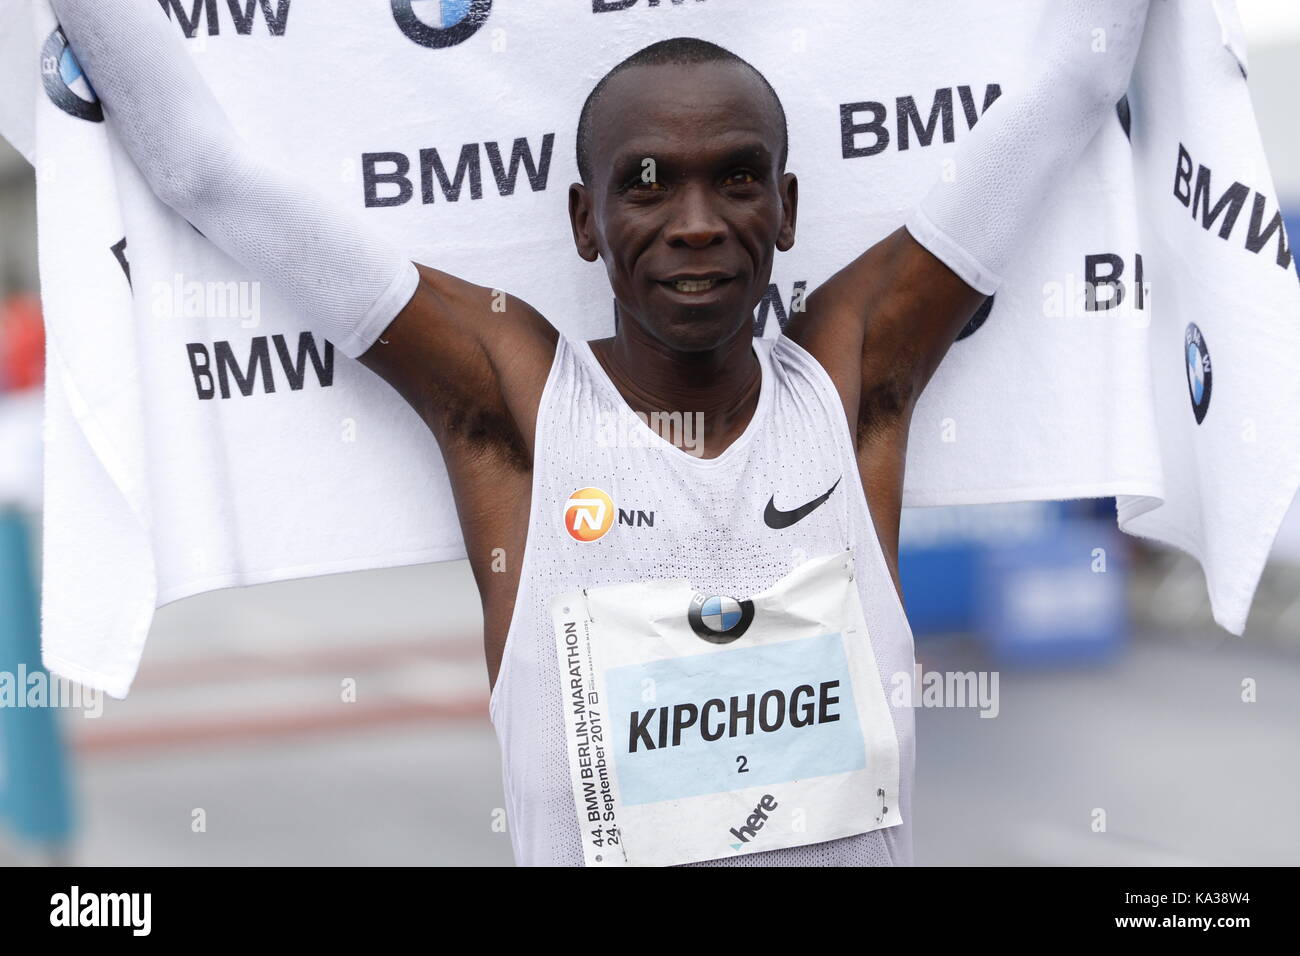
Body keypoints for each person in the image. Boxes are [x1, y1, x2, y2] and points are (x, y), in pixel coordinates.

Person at [50, 0, 1148, 866]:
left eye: (736, 179)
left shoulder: (850, 384)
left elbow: (1081, 77)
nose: (697, 222)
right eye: (645, 185)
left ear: (789, 210)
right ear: (585, 221)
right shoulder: (519, 411)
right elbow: (203, 171)